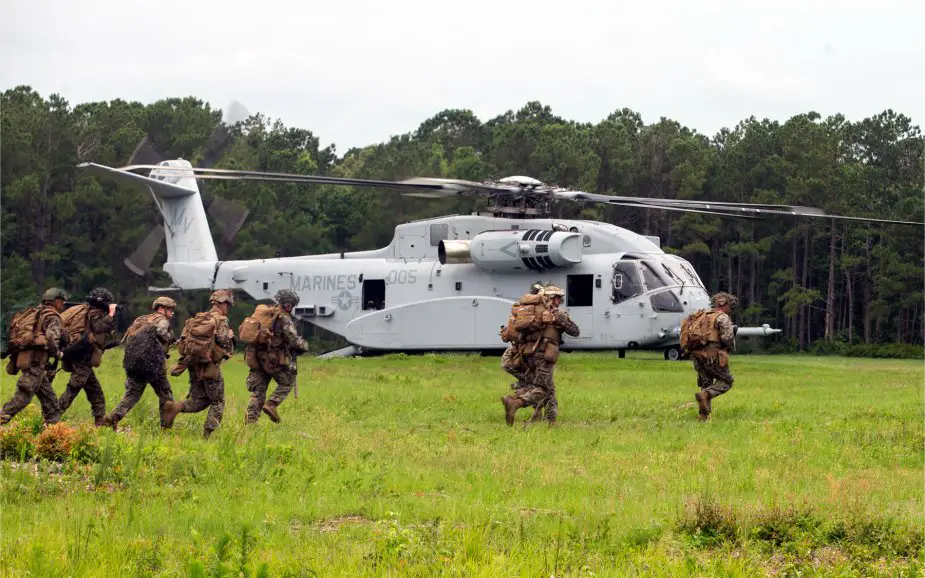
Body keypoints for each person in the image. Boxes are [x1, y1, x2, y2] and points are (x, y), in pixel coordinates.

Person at [500, 283, 580, 427]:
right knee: (544, 389)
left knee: (546, 388)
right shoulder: (555, 314)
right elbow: (575, 331)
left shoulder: (531, 313)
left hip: (528, 355)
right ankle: (515, 402)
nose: (559, 301)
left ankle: (549, 420)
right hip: (544, 356)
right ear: (552, 298)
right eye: (558, 298)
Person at [162, 290, 235, 438]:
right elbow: (223, 341)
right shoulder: (221, 320)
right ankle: (207, 437)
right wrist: (230, 337)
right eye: (228, 305)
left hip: (193, 364)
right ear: (224, 304)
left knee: (200, 400)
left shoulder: (198, 318)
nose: (228, 308)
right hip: (210, 367)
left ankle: (175, 407)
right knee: (218, 402)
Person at [103, 296, 178, 430]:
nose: (172, 312)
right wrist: (170, 337)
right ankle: (166, 428)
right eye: (170, 309)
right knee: (166, 396)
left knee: (132, 394)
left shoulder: (142, 319)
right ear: (161, 309)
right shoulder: (162, 321)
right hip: (155, 366)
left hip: (136, 364)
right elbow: (161, 331)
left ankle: (112, 418)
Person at [0, 288, 68, 426]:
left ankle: (54, 431)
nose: (63, 305)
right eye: (62, 302)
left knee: (50, 400)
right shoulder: (52, 316)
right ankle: (2, 417)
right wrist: (57, 353)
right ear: (57, 301)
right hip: (35, 363)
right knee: (23, 397)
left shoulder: (36, 312)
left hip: (30, 361)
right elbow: (51, 338)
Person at [243, 289, 309, 424]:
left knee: (258, 392)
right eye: (291, 305)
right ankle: (272, 404)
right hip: (273, 359)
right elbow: (294, 340)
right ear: (288, 305)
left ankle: (250, 423)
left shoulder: (267, 314)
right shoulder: (283, 318)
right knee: (288, 381)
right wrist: (304, 346)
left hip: (257, 358)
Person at [57, 287, 118, 426]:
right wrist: (111, 314)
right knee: (73, 389)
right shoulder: (94, 312)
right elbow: (98, 327)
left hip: (77, 354)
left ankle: (100, 422)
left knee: (95, 392)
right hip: (83, 357)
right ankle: (52, 417)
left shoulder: (83, 310)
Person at [691, 292, 738, 421]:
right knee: (726, 381)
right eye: (730, 305)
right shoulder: (722, 318)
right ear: (723, 304)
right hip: (712, 357)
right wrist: (730, 347)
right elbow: (727, 337)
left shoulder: (702, 316)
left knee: (706, 382)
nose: (730, 309)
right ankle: (706, 395)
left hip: (697, 357)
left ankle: (703, 416)